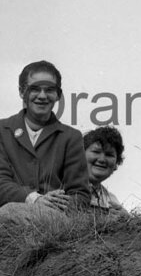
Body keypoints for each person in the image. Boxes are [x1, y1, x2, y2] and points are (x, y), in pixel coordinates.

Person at [0, 60, 89, 215]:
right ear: (22, 92)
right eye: (34, 89)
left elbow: (80, 195)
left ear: (58, 95)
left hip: (53, 221)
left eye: (49, 90)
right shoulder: (2, 131)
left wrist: (52, 206)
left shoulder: (71, 137)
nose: (42, 96)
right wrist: (34, 199)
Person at [83, 126, 126, 212]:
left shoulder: (113, 201)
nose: (102, 159)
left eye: (109, 155)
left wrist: (126, 221)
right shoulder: (57, 188)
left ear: (116, 164)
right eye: (96, 152)